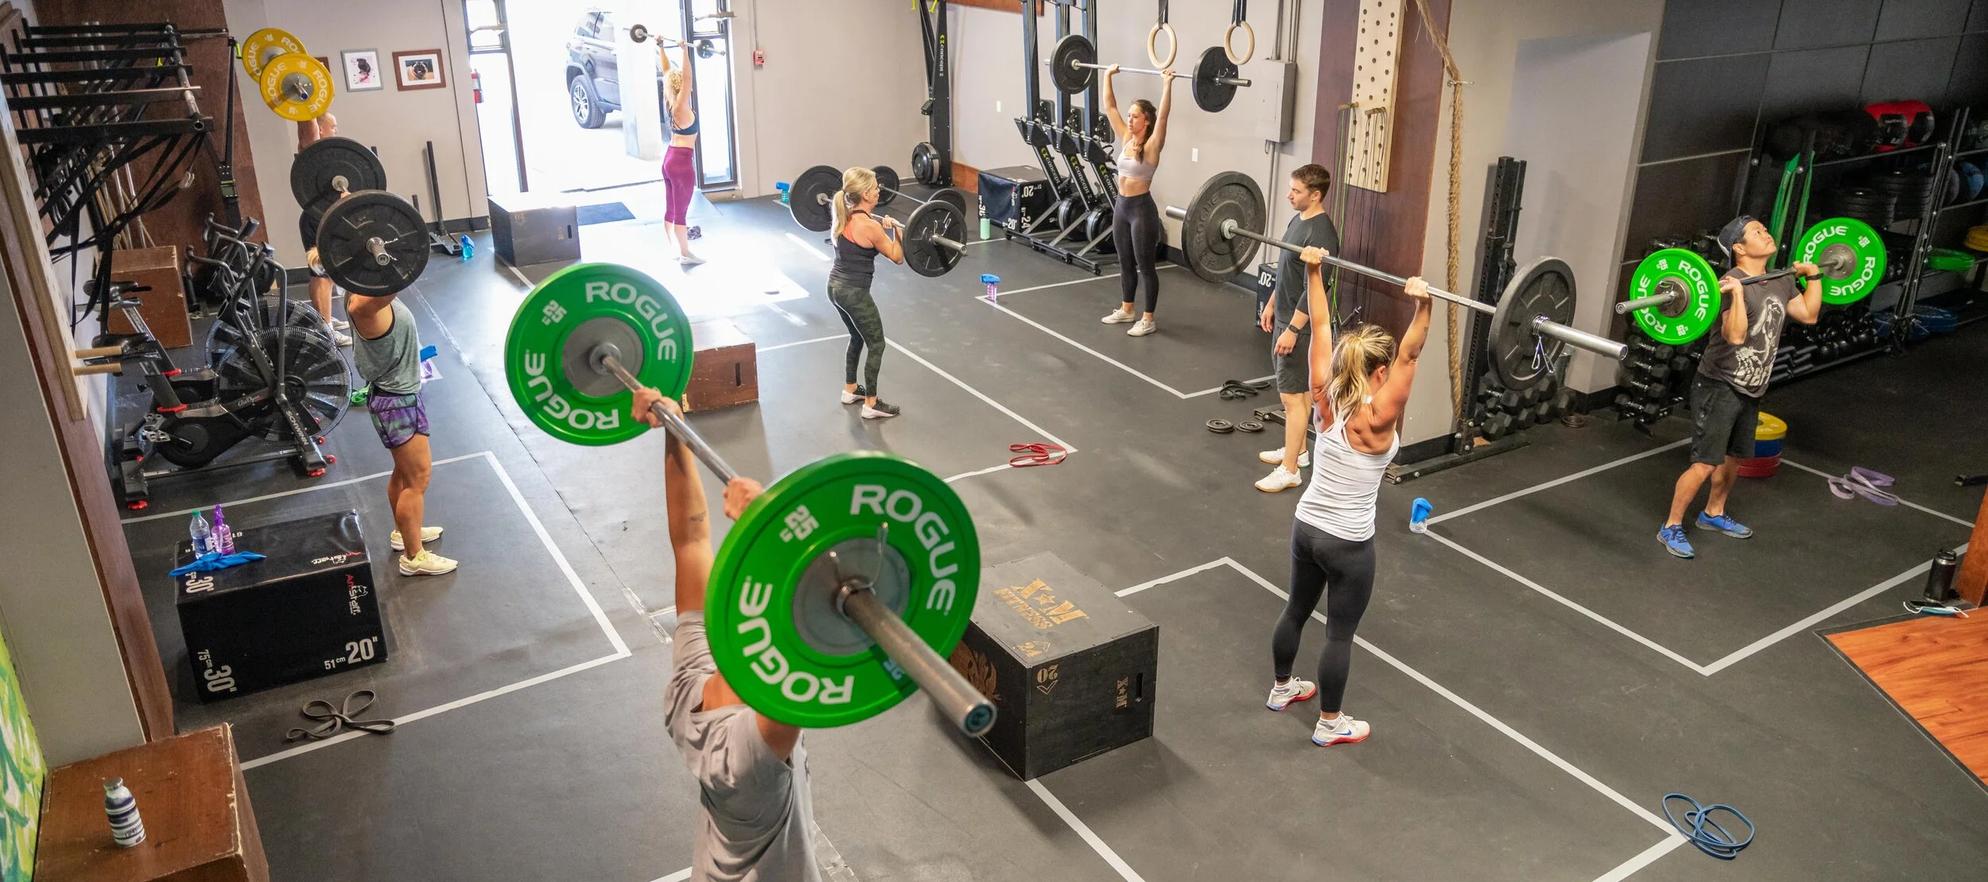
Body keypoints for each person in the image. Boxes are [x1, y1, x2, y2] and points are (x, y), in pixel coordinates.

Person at [630, 387, 820, 882]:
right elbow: (806, 655)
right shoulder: (747, 756)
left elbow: (690, 537)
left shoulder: (693, 678)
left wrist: (674, 433)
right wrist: (771, 530)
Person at [1263, 247, 1431, 748]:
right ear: (1379, 373)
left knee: (1295, 609)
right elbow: (1410, 353)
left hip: (1306, 527)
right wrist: (1425, 307)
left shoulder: (1325, 392)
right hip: (1349, 544)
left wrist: (1314, 271)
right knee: (1338, 634)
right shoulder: (1378, 419)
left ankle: (1280, 689)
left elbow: (1319, 326)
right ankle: (1330, 721)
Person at [1657, 215, 1822, 559]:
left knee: (1733, 458)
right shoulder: (1729, 283)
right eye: (1757, 232)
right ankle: (1671, 525)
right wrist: (1735, 294)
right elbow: (1734, 336)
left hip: (1753, 384)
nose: (1766, 233)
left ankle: (1713, 513)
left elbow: (1807, 314)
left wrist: (1815, 276)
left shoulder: (1778, 280)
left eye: (1764, 228)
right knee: (1704, 462)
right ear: (1739, 248)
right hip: (1720, 383)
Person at [334, 253, 455, 577]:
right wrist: (407, 256)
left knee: (403, 474)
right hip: (398, 404)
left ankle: (405, 534)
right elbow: (391, 284)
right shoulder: (364, 305)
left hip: (397, 398)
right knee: (418, 479)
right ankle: (414, 557)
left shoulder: (360, 291)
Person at [1255, 165, 1342, 493]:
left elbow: (1315, 287)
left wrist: (1292, 329)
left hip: (1299, 326)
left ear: (1315, 195)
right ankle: (1299, 451)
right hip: (1285, 316)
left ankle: (1289, 469)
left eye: (1296, 191)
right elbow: (1288, 269)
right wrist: (1273, 302)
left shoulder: (1321, 234)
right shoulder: (1298, 220)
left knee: (1292, 399)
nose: (1289, 195)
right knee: (1296, 393)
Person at [1099, 64, 1176, 337]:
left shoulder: (1153, 145)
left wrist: (1167, 84)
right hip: (1121, 206)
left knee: (1146, 266)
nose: (1129, 120)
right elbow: (1109, 106)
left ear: (1146, 121)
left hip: (1141, 209)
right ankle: (1127, 309)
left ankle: (1148, 318)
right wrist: (1107, 75)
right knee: (1124, 261)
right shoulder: (1126, 138)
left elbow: (1164, 117)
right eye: (1129, 116)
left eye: (1135, 117)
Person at [825, 166, 904, 420]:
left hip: (834, 287)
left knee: (856, 336)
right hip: (853, 293)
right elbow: (897, 257)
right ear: (866, 195)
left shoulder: (842, 214)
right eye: (875, 188)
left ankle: (850, 389)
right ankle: (871, 403)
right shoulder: (870, 226)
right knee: (877, 343)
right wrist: (898, 232)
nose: (879, 190)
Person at [296, 112, 351, 347]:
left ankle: (323, 320)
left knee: (322, 273)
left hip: (321, 217)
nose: (336, 131)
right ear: (320, 129)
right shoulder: (311, 147)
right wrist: (307, 104)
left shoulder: (323, 155)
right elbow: (307, 129)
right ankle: (326, 331)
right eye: (333, 127)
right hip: (316, 219)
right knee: (322, 274)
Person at [659, 42, 704, 267]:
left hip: (669, 159)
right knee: (681, 212)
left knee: (671, 208)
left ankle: (673, 249)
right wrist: (685, 52)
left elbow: (667, 72)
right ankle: (685, 253)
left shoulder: (670, 102)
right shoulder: (681, 107)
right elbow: (687, 79)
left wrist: (661, 49)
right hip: (681, 164)